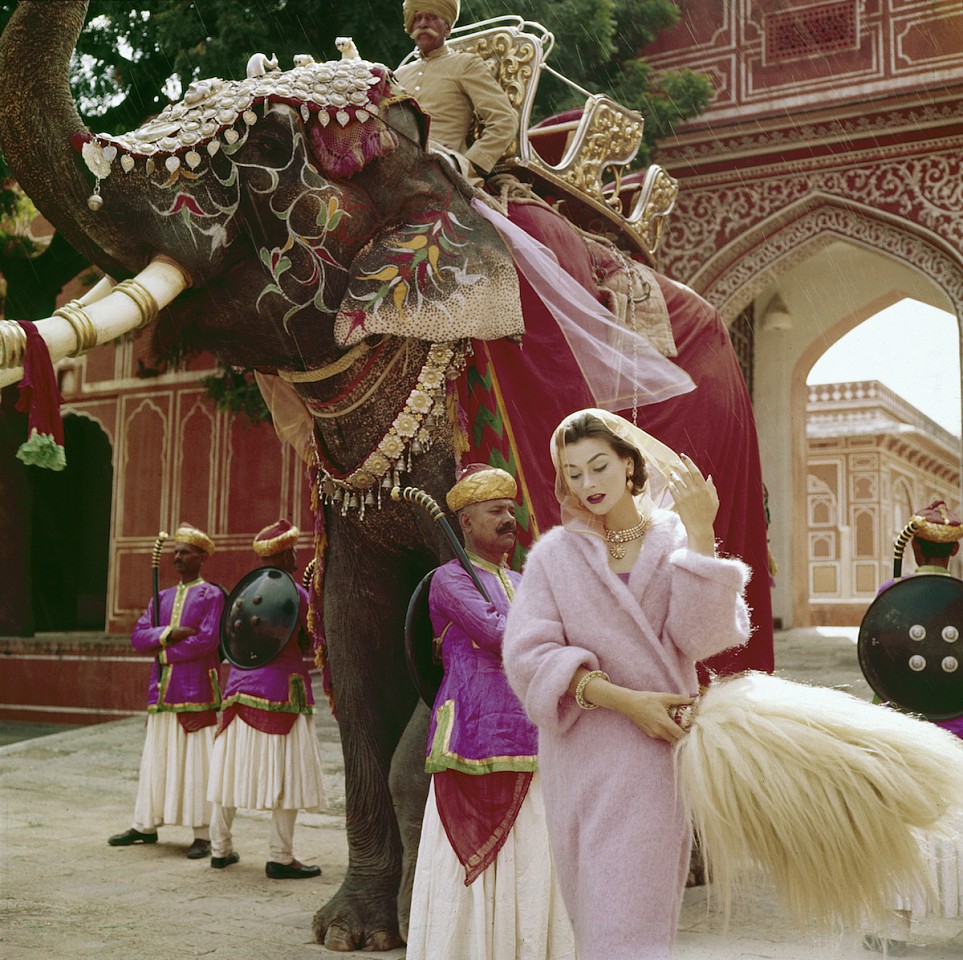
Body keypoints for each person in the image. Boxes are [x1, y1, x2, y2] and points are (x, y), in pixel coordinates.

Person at [502, 409, 752, 960]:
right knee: (595, 921)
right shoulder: (553, 558)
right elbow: (526, 656)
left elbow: (701, 636)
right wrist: (623, 699)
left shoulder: (673, 543)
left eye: (599, 466)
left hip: (654, 759)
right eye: (574, 473)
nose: (588, 484)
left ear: (630, 464)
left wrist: (704, 531)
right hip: (581, 759)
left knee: (629, 927)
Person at [406, 464, 575, 960]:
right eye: (495, 511)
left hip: (534, 730)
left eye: (510, 509)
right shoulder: (447, 580)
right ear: (465, 523)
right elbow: (499, 634)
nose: (510, 517)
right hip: (473, 734)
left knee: (534, 850)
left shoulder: (525, 579)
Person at [863, 500, 963, 955]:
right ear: (954, 549)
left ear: (916, 550)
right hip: (958, 731)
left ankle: (892, 930)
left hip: (904, 729)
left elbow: (879, 664)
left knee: (901, 827)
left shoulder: (892, 592)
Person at [207, 520, 325, 878]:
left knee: (227, 775)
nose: (295, 555)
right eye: (291, 550)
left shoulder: (243, 595)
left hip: (237, 692)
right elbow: (310, 640)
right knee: (286, 777)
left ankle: (219, 849)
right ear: (284, 553)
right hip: (280, 692)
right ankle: (280, 855)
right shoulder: (297, 594)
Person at [108, 524, 224, 859]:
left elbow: (207, 640)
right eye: (175, 552)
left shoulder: (211, 595)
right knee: (157, 757)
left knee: (196, 762)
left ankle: (202, 833)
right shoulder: (162, 597)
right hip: (161, 689)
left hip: (196, 687)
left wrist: (164, 650)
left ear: (200, 557)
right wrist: (171, 632)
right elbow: (137, 635)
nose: (177, 557)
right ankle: (145, 825)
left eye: (184, 552)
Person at [395, 0, 518, 179]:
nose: (422, 24)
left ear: (447, 28)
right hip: (396, 162)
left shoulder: (466, 64)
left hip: (442, 163)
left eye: (431, 17)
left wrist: (469, 164)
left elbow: (504, 120)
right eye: (417, 18)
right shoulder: (398, 74)